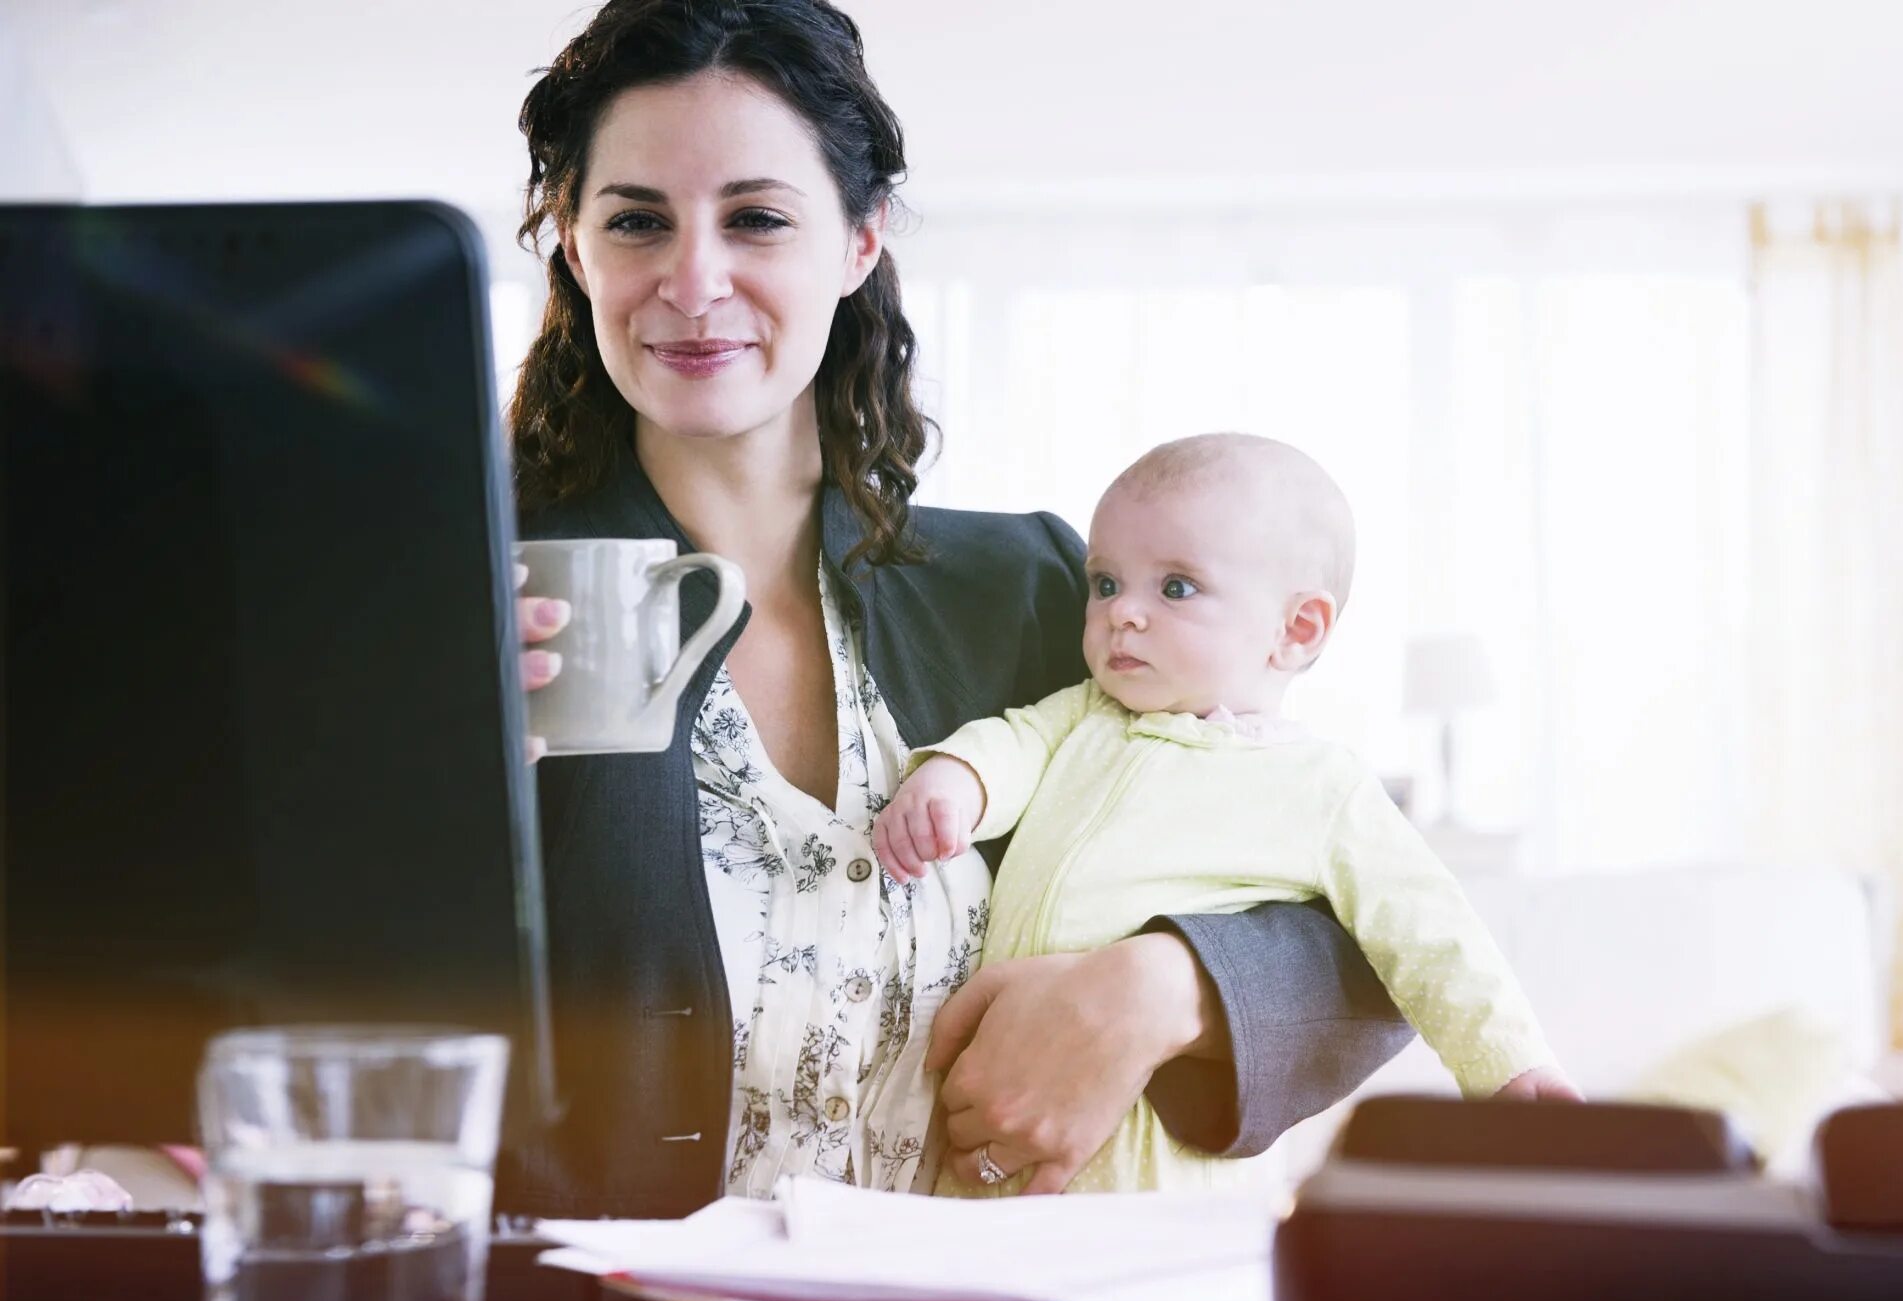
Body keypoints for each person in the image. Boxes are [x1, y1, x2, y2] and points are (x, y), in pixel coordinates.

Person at [504, 0, 1415, 1215]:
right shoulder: (481, 605)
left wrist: (1154, 992)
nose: (694, 279)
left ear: (858, 244)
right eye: (636, 222)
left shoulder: (1045, 594)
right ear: (575, 245)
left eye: (759, 219)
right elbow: (289, 999)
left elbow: (1371, 931)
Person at [874, 434, 1582, 1197]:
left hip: (1162, 1154)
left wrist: (1511, 1066)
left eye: (1175, 588)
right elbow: (1011, 744)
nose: (1123, 616)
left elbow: (1430, 928)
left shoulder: (1321, 784)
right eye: (1107, 583)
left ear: (1297, 628)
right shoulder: (1082, 714)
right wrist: (956, 781)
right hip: (997, 1112)